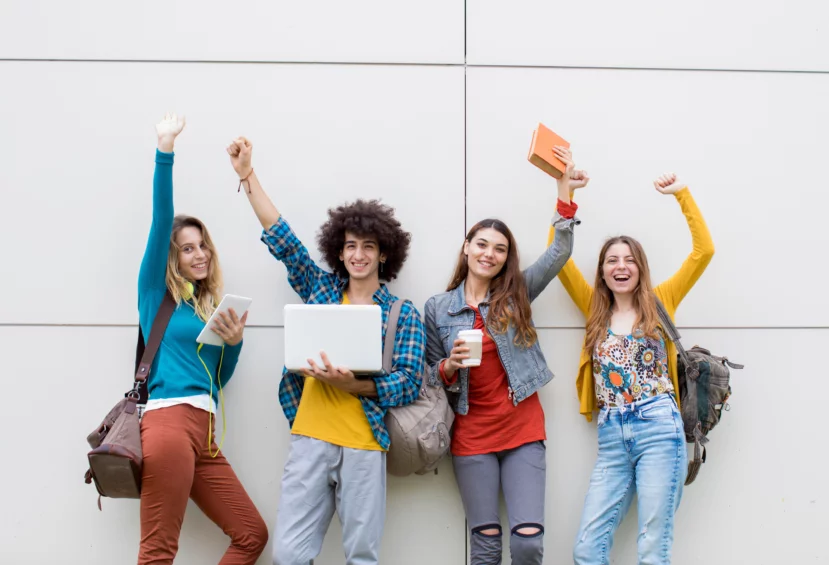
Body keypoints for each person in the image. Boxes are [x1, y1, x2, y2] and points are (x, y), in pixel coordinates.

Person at [226, 136, 426, 565]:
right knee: (288, 556)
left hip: (365, 444)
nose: (359, 254)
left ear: (383, 254)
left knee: (362, 557)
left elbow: (409, 383)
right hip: (310, 439)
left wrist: (354, 385)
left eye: (368, 246)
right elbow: (283, 239)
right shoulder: (320, 289)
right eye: (351, 245)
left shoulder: (401, 314)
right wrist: (247, 176)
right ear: (340, 250)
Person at [424, 146, 586, 564]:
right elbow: (425, 374)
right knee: (485, 544)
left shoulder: (516, 295)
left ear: (504, 259)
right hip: (470, 435)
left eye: (498, 249)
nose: (488, 254)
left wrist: (563, 196)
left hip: (522, 430)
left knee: (528, 542)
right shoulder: (438, 308)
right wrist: (449, 366)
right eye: (481, 244)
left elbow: (558, 255)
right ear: (466, 247)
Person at [554, 173, 715, 564]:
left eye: (629, 260)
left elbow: (703, 252)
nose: (620, 266)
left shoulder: (662, 301)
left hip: (659, 427)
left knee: (652, 545)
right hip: (611, 435)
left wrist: (682, 196)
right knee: (587, 549)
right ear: (603, 271)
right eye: (612, 260)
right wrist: (564, 197)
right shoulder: (594, 307)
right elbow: (558, 260)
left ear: (640, 268)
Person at [137, 114, 267, 565]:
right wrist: (165, 150)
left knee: (251, 534)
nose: (200, 253)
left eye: (203, 245)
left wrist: (233, 344)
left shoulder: (207, 310)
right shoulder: (156, 295)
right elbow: (161, 220)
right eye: (187, 248)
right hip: (169, 425)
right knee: (158, 551)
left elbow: (217, 381)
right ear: (172, 258)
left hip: (204, 432)